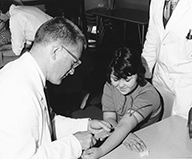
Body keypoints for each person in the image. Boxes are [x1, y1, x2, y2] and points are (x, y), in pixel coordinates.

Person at [0, 17, 112, 159]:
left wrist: (85, 126)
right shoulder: (19, 91)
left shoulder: (27, 73)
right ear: (56, 51)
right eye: (73, 62)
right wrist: (75, 144)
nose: (72, 71)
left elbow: (45, 123)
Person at [82, 47, 163, 159]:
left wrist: (100, 151)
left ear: (138, 74)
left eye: (127, 80)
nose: (121, 85)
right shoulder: (110, 85)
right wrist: (125, 135)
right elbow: (109, 119)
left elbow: (125, 124)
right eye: (116, 79)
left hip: (145, 140)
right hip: (122, 133)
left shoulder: (148, 95)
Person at [141, 0, 192, 143]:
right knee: (157, 132)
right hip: (160, 78)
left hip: (189, 85)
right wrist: (141, 79)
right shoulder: (157, 2)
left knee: (184, 139)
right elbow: (152, 42)